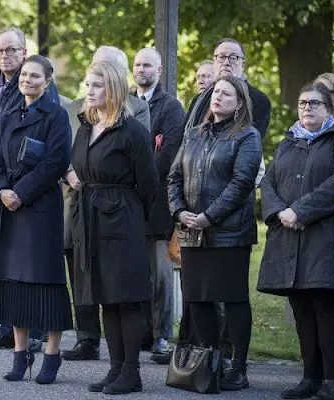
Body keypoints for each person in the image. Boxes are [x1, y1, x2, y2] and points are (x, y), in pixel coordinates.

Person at [258, 81, 334, 400]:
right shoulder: (289, 141)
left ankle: (331, 382)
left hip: (325, 239)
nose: (307, 109)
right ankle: (309, 378)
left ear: (329, 108)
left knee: (327, 309)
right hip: (288, 240)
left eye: (314, 104)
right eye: (302, 103)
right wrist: (280, 212)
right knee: (301, 309)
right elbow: (268, 182)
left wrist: (299, 212)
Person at [168, 75, 262, 391]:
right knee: (198, 299)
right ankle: (211, 362)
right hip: (191, 230)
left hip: (229, 233)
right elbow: (173, 179)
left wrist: (209, 217)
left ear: (239, 104)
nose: (217, 97)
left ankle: (239, 367)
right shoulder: (194, 134)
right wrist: (180, 212)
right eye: (215, 92)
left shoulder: (247, 136)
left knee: (233, 299)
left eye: (226, 93)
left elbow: (242, 183)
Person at [71, 60, 157, 394]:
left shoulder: (132, 130)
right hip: (90, 220)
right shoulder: (84, 127)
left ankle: (132, 372)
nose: (89, 91)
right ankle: (115, 368)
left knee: (127, 298)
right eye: (87, 84)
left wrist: (129, 214)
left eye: (97, 85)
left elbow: (148, 183)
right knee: (105, 297)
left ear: (114, 90)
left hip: (122, 221)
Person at [0, 55, 72, 384]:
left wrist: (19, 192)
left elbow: (56, 162)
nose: (27, 80)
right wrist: (1, 191)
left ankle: (52, 354)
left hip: (38, 210)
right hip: (8, 209)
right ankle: (20, 355)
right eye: (24, 74)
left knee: (45, 284)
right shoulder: (8, 114)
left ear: (47, 82)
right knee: (14, 285)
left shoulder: (56, 115)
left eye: (35, 76)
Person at [0, 27, 52, 352]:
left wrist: (1, 175)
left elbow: (40, 143)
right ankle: (6, 326)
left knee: (27, 263)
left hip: (23, 192)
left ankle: (35, 331)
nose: (5, 56)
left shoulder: (36, 84)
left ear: (24, 50)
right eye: (0, 51)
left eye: (12, 50)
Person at [132, 47, 186, 358]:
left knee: (161, 278)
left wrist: (139, 177)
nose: (142, 69)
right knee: (137, 274)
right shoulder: (125, 100)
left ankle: (163, 335)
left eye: (148, 65)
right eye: (138, 64)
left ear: (160, 70)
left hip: (158, 207)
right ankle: (140, 333)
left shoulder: (171, 107)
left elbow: (167, 155)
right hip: (129, 205)